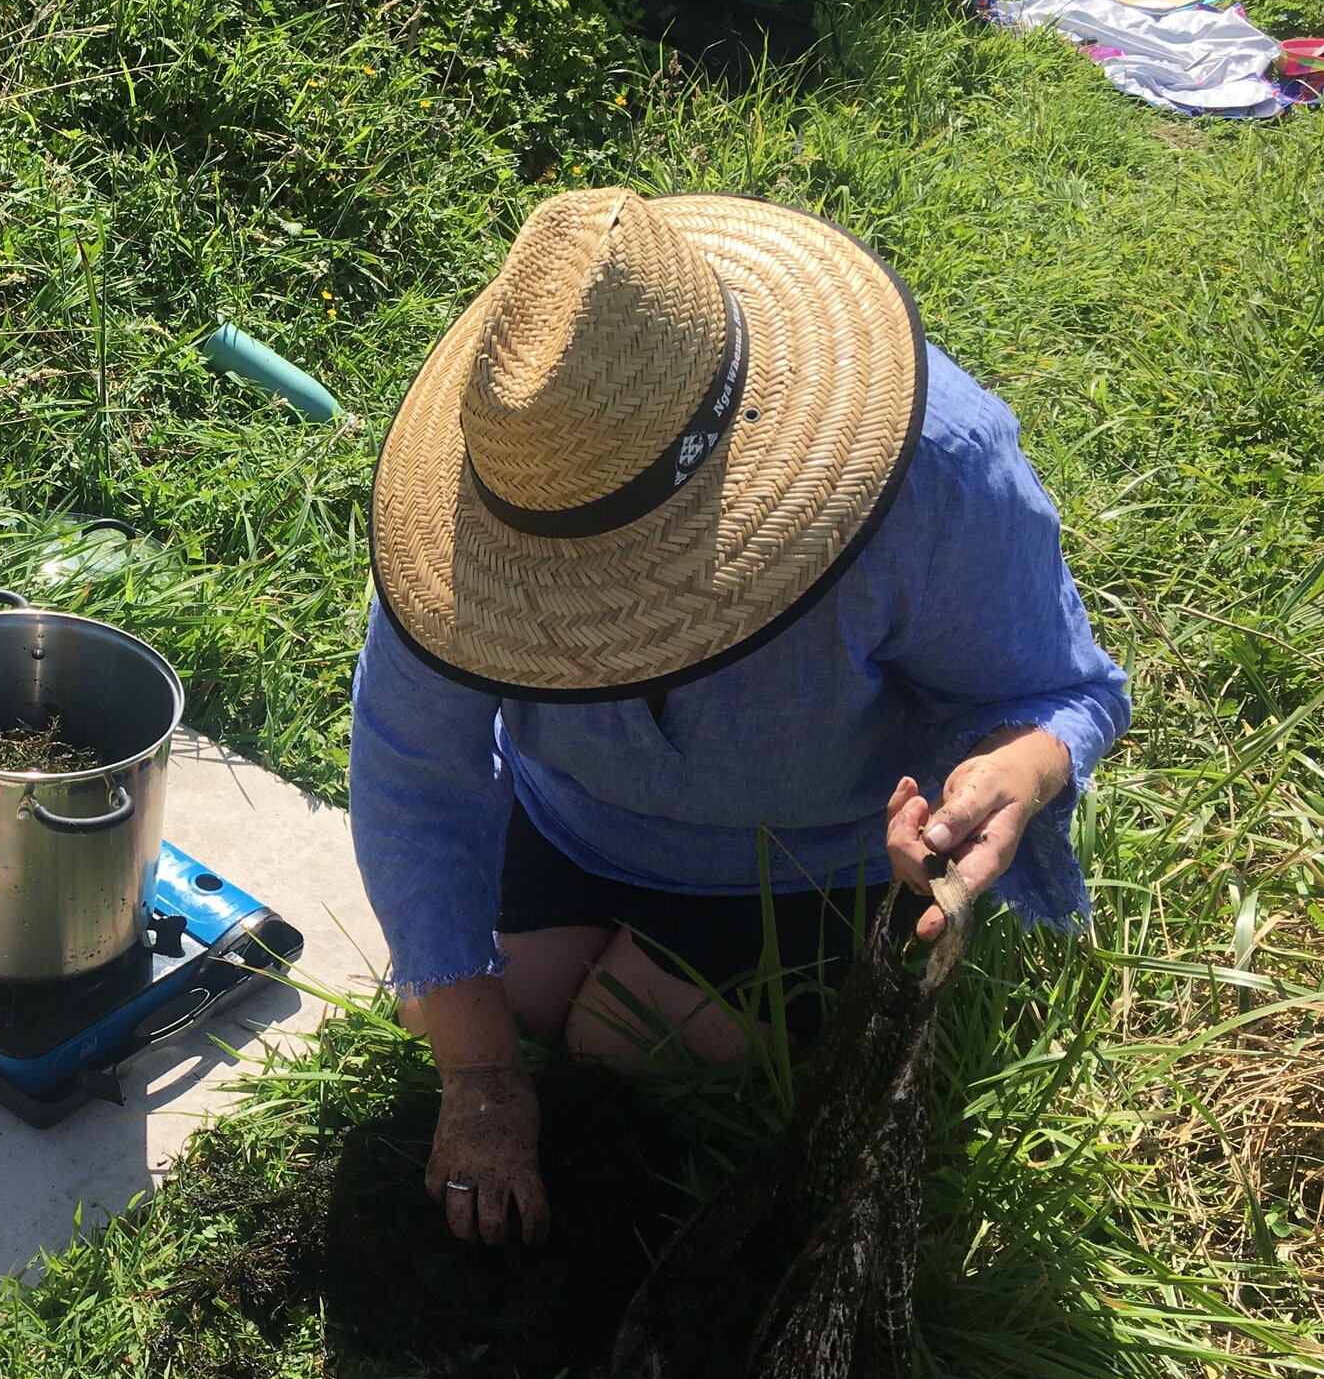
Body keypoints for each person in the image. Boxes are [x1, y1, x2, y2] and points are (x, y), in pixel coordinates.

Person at [349, 188, 1130, 1247]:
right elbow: (413, 765)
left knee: (617, 1049)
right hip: (570, 810)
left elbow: (1059, 692)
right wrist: (479, 1077)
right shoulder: (498, 471)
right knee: (509, 1013)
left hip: (802, 852)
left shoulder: (930, 471)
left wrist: (1017, 773)